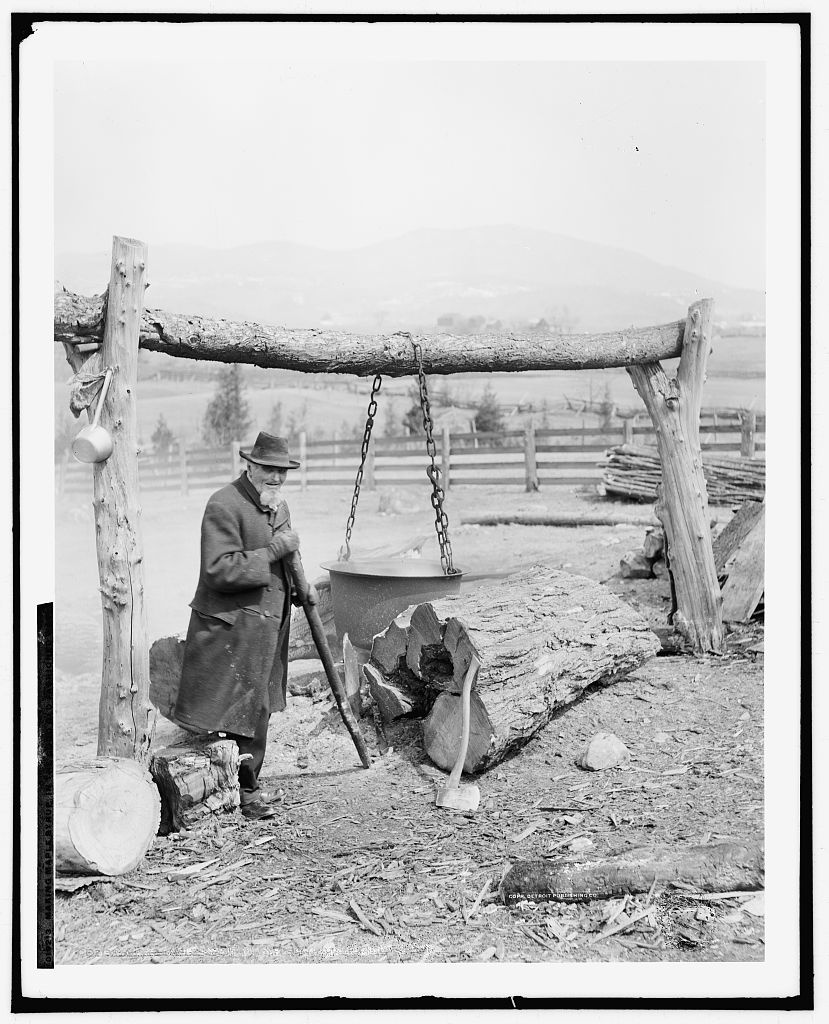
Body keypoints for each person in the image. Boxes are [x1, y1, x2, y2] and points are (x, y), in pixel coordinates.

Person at [173, 431, 316, 821]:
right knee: (238, 710)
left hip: (265, 628)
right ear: (250, 466)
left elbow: (288, 558)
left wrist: (299, 589)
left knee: (261, 708)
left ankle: (248, 784)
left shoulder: (276, 506)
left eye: (282, 471)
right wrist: (274, 551)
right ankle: (245, 794)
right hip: (231, 630)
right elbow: (219, 570)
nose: (276, 477)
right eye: (268, 469)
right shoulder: (224, 504)